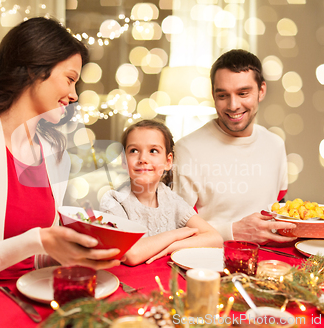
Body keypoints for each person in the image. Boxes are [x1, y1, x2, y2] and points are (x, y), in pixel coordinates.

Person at [0, 17, 120, 293]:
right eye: (69, 79)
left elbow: (37, 257)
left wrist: (76, 250)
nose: (74, 95)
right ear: (34, 69)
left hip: (36, 297)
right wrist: (38, 240)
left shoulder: (54, 152)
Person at [173, 49, 297, 244]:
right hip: (207, 260)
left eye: (243, 93)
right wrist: (232, 232)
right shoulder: (186, 150)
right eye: (223, 95)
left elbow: (279, 207)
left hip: (269, 260)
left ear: (261, 91)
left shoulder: (275, 144)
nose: (233, 105)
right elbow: (176, 227)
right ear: (213, 95)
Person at [100, 120, 223, 266]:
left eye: (153, 151)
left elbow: (215, 238)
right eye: (134, 150)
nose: (143, 159)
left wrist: (171, 247)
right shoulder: (113, 202)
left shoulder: (169, 198)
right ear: (124, 160)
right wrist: (176, 234)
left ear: (168, 161)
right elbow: (131, 254)